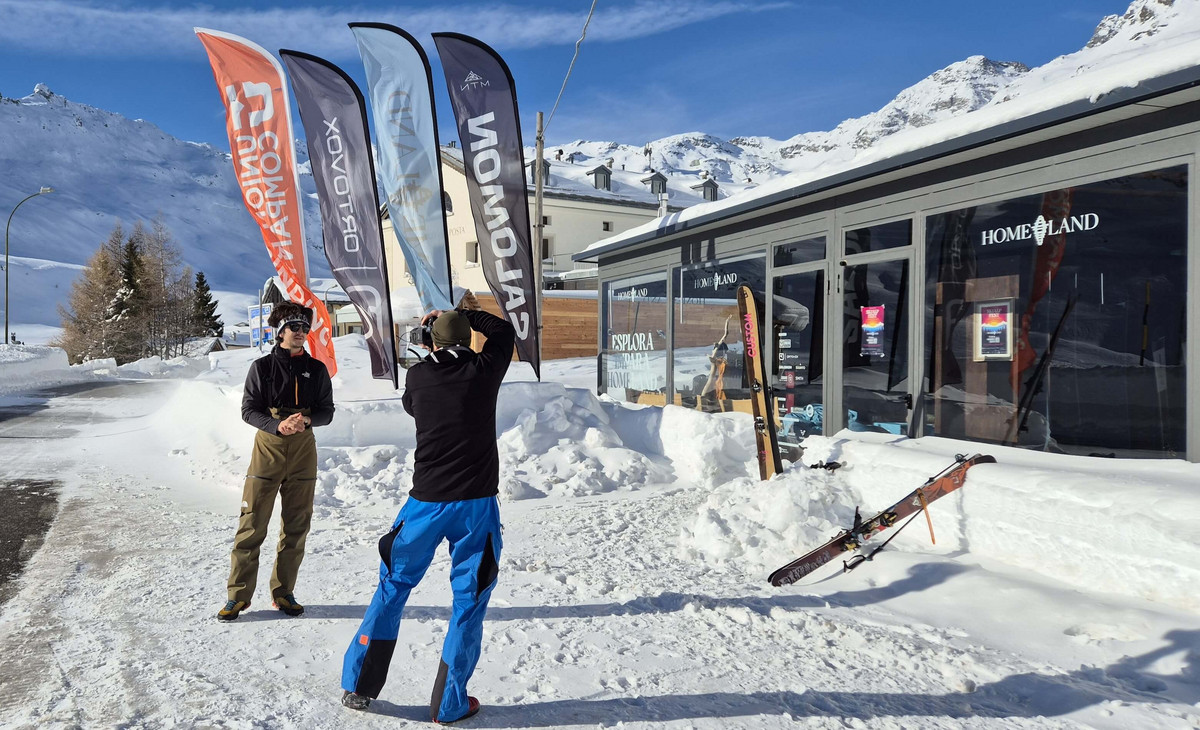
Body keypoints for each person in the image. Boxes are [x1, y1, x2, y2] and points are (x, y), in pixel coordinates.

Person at [341, 305, 514, 724]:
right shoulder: (484, 370)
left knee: (394, 584)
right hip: (475, 505)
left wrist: (436, 338)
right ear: (467, 339)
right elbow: (503, 332)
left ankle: (360, 685)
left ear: (429, 342)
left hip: (426, 503)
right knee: (469, 600)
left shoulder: (419, 377)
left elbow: (411, 405)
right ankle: (449, 704)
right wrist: (465, 313)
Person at [217, 301, 335, 622]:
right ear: (280, 331)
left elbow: (327, 411)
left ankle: (283, 592)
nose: (300, 332)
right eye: (294, 327)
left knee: (297, 525)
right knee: (252, 523)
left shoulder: (317, 369)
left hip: (303, 451)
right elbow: (248, 410)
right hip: (268, 449)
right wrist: (277, 425)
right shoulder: (262, 368)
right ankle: (237, 596)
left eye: (304, 328)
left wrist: (306, 421)